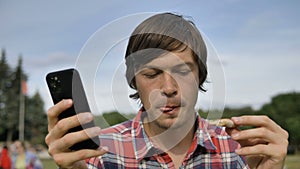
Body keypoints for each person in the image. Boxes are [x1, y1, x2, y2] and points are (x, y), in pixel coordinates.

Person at [45, 12, 289, 169]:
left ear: (200, 76)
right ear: (134, 81)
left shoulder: (242, 152)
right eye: (152, 74)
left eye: (182, 72)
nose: (169, 88)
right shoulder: (97, 154)